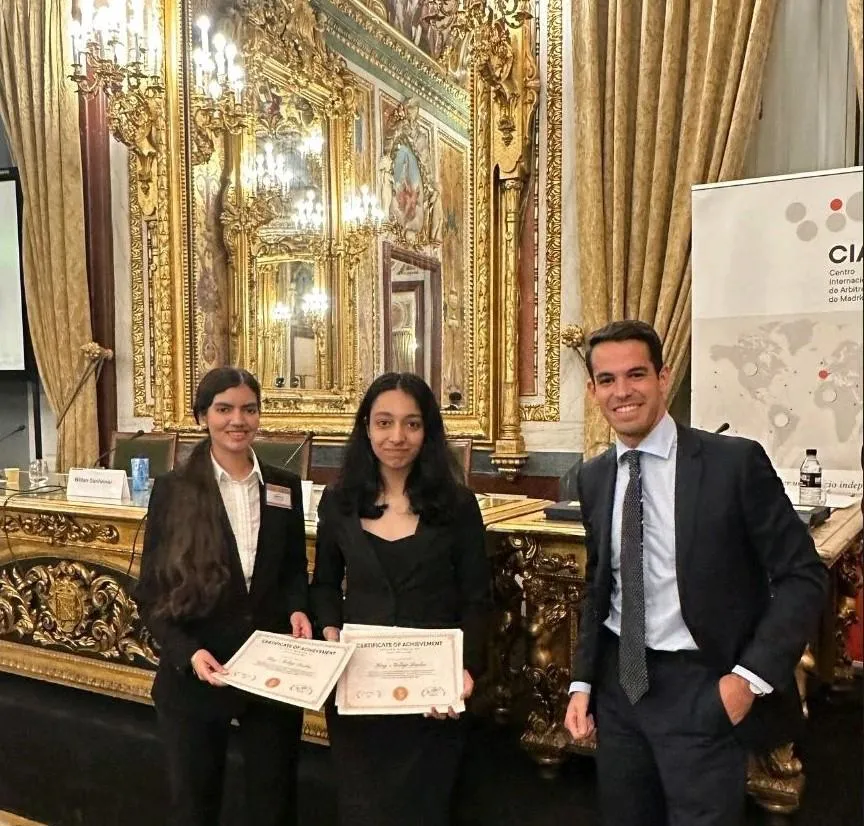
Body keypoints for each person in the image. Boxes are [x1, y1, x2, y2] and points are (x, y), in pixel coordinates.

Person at [563, 320, 828, 826]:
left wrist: (746, 681)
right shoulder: (594, 477)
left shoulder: (734, 463)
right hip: (621, 689)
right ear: (594, 390)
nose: (623, 391)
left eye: (636, 374)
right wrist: (582, 683)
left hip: (703, 687)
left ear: (663, 377)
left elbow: (803, 575)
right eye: (607, 379)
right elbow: (601, 589)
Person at [310, 372, 491, 826]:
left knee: (426, 809)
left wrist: (465, 670)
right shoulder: (338, 501)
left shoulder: (458, 505)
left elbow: (476, 598)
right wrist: (330, 631)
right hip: (360, 693)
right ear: (366, 428)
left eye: (411, 424)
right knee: (362, 810)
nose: (396, 437)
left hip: (432, 698)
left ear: (427, 431)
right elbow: (326, 584)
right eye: (384, 422)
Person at [136, 367, 312, 826]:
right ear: (202, 417)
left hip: (269, 672)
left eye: (248, 409)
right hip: (198, 671)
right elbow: (151, 591)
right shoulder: (175, 490)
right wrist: (188, 653)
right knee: (195, 807)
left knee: (274, 805)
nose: (238, 420)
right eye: (224, 409)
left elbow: (294, 569)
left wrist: (298, 607)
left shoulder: (283, 486)